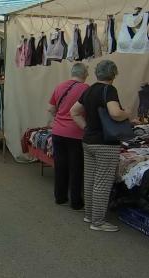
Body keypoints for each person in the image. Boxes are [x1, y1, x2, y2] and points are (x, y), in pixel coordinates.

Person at [71, 60, 130, 232]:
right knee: (102, 183)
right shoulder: (109, 90)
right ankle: (98, 221)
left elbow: (74, 112)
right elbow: (115, 113)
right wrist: (126, 113)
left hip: (89, 141)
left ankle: (89, 214)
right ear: (113, 74)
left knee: (90, 180)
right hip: (105, 143)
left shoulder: (89, 90)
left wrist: (87, 128)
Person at [48, 63, 89, 210]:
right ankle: (76, 202)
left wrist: (60, 117)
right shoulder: (86, 88)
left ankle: (60, 197)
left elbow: (51, 108)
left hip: (58, 132)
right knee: (76, 168)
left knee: (60, 166)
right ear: (84, 74)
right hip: (76, 133)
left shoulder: (59, 86)